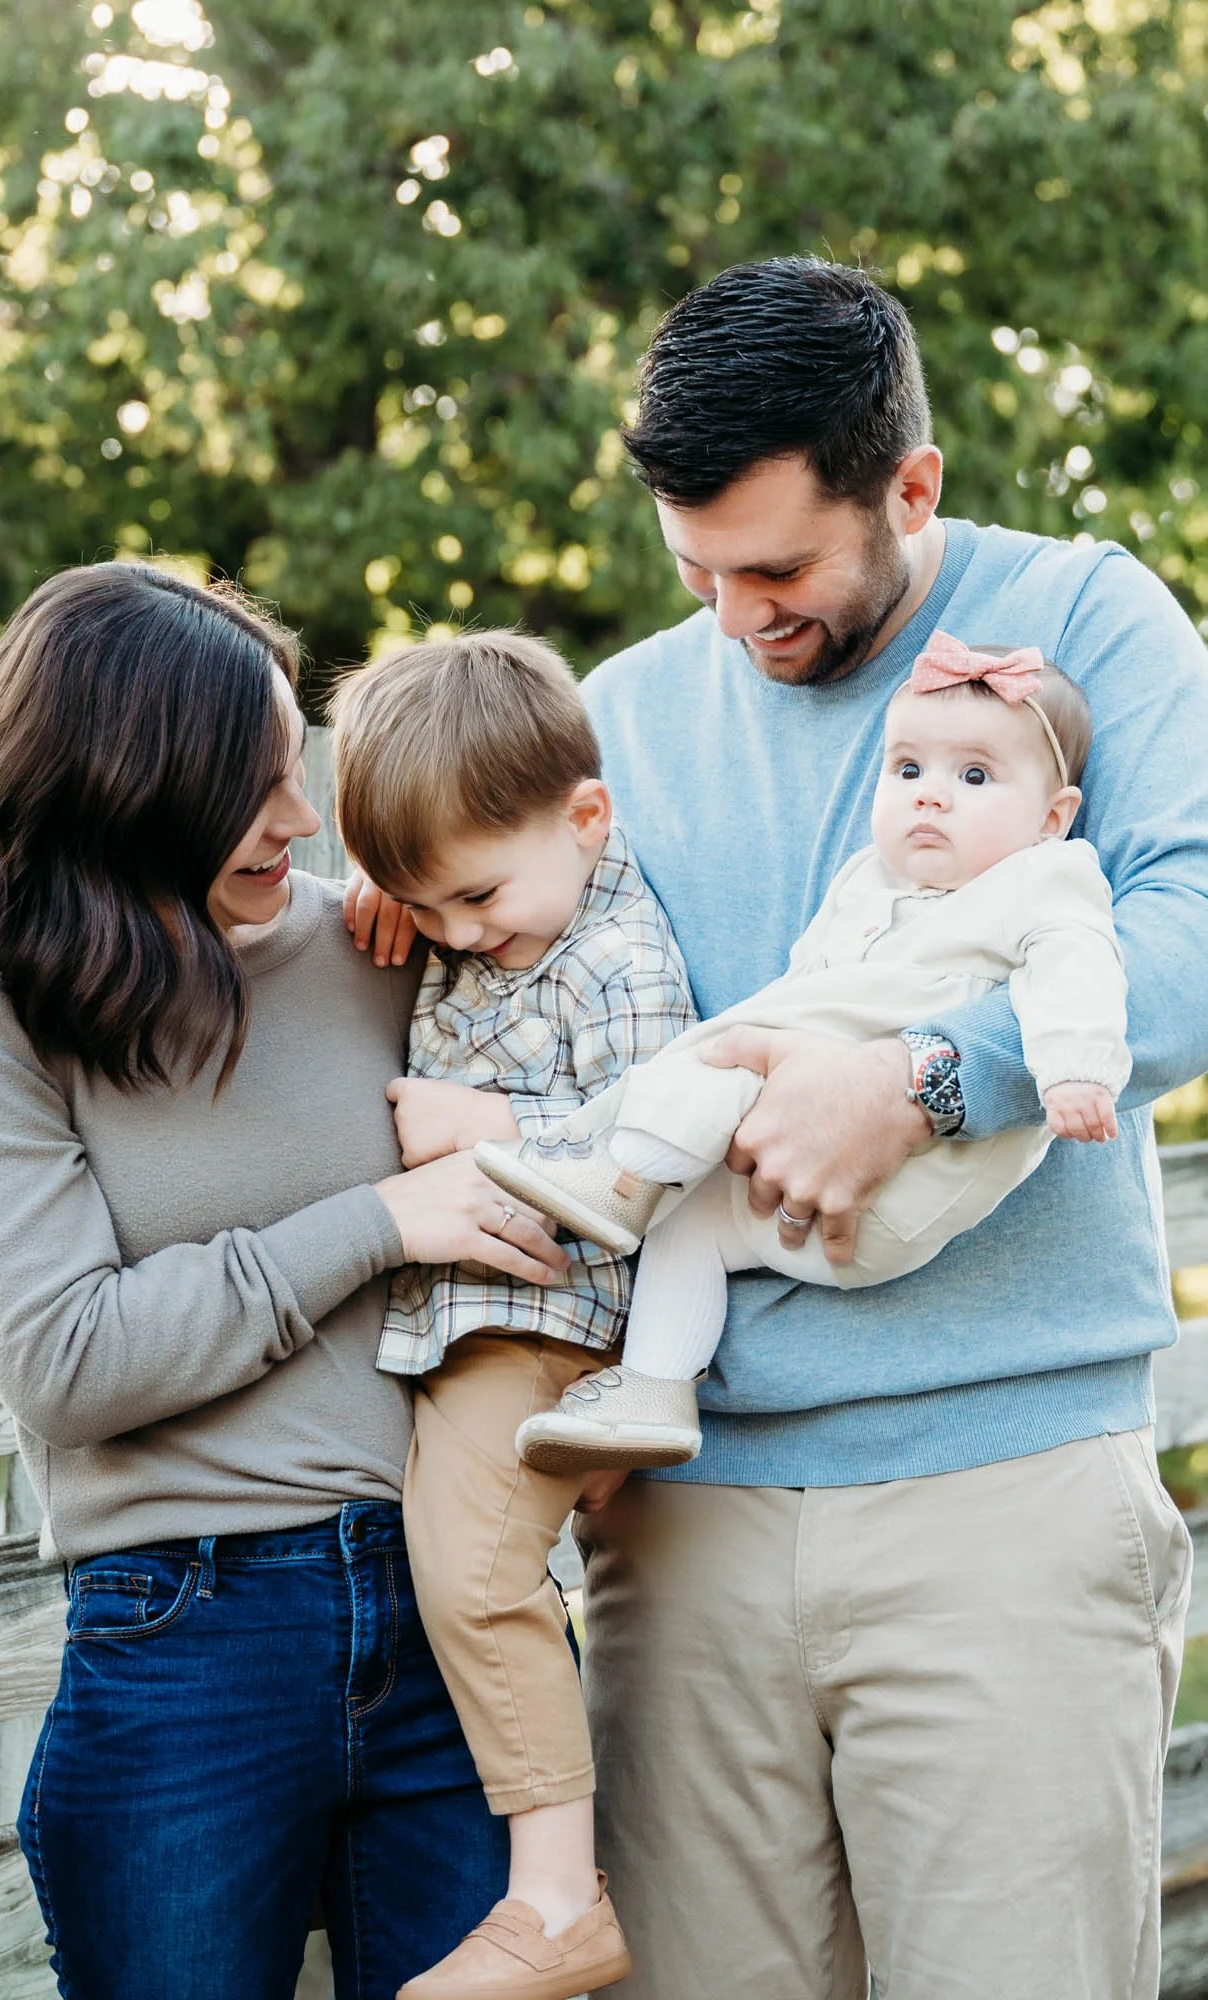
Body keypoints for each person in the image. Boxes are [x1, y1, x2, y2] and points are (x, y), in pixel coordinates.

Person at [347, 256, 1207, 1999]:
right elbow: (528, 950)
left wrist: (918, 1083)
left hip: (1003, 1505)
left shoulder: (1088, 624)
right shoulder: (627, 712)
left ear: (913, 486)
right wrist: (401, 902)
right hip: (682, 1523)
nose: (737, 621)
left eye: (779, 569)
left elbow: (1185, 929)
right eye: (695, 572)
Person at [0, 563, 576, 2000]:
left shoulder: (386, 936)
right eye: (255, 783)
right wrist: (379, 1221)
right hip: (182, 1641)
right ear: (127, 786)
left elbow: (610, 1028)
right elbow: (72, 1364)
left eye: (296, 767)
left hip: (452, 1612)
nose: (305, 818)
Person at [477, 637, 1130, 1471]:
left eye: (973, 777)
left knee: (730, 1057)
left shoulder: (1042, 880)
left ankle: (621, 1173)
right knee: (691, 1229)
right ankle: (652, 1387)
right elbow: (807, 981)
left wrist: (1075, 1070)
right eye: (906, 771)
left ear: (1051, 817)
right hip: (812, 1201)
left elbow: (1080, 967)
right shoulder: (870, 881)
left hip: (908, 1175)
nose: (930, 798)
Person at [327, 631, 696, 2000]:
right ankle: (539, 1887)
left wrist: (490, 1126)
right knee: (468, 1568)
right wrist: (393, 885)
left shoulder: (613, 962)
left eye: (472, 898)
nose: (457, 936)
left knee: (476, 1573)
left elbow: (662, 1152)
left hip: (538, 1310)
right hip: (465, 1314)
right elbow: (444, 882)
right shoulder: (501, 893)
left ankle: (555, 1903)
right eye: (426, 910)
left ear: (587, 817)